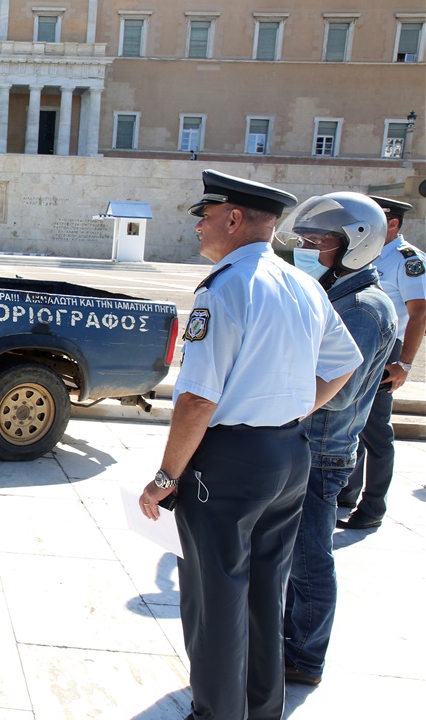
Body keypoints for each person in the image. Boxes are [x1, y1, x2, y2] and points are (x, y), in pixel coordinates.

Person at [138, 170, 362, 720]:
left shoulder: (225, 287)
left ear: (233, 219)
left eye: (205, 215)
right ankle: (262, 709)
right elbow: (343, 361)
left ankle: (217, 713)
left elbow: (197, 400)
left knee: (215, 597)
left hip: (230, 462)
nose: (197, 227)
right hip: (287, 455)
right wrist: (288, 408)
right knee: (266, 589)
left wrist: (166, 478)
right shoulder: (303, 284)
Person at [275, 193, 397, 686]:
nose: (306, 247)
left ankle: (305, 657)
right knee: (291, 558)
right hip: (305, 442)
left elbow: (339, 393)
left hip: (322, 450)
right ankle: (289, 642)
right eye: (304, 238)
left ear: (355, 244)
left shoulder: (364, 308)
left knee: (308, 560)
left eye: (318, 240)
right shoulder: (333, 295)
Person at [337, 195, 425, 530]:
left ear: (392, 224)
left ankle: (372, 507)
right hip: (360, 345)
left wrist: (404, 364)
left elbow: (419, 314)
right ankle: (347, 493)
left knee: (375, 432)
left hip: (388, 351)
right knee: (351, 423)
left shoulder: (407, 260)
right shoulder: (366, 254)